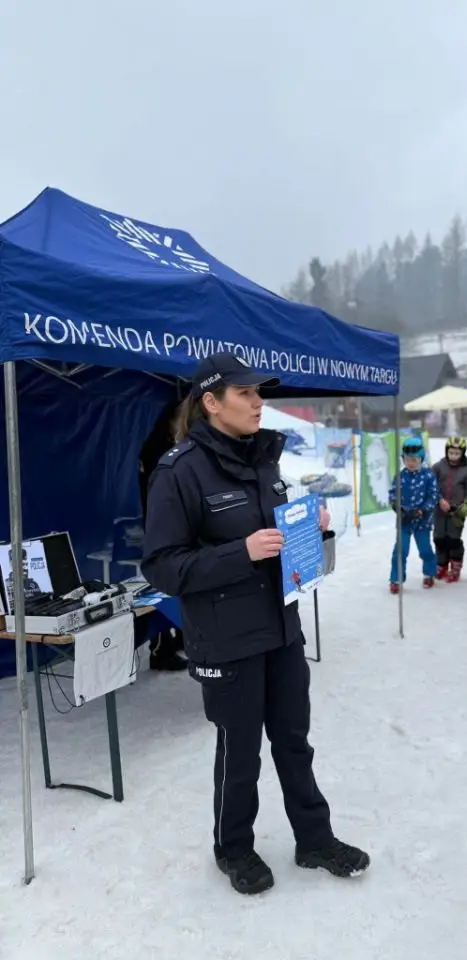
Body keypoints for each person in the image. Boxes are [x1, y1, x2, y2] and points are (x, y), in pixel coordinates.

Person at [141, 354, 369, 895]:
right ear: (211, 402)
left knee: (294, 742)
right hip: (226, 639)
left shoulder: (265, 460)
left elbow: (278, 544)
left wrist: (311, 531)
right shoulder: (179, 471)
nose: (258, 402)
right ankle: (233, 849)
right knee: (240, 752)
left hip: (281, 630)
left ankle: (314, 839)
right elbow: (163, 567)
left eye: (259, 392)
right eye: (245, 393)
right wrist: (239, 552)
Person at [138, 400, 188, 672]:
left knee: (180, 584)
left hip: (175, 527)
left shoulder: (175, 446)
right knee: (162, 588)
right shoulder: (158, 450)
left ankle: (182, 635)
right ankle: (160, 648)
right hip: (162, 528)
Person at [389, 437, 439, 592]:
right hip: (404, 521)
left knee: (425, 550)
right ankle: (396, 579)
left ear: (421, 459)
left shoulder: (428, 476)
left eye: (414, 460)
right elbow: (393, 494)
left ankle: (429, 573)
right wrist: (398, 507)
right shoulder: (400, 476)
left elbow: (434, 495)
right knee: (400, 551)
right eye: (407, 459)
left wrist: (422, 510)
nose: (410, 463)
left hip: (422, 521)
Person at [431, 436, 467, 582]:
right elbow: (431, 486)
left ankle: (456, 564)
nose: (454, 456)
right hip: (439, 509)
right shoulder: (437, 467)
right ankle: (441, 564)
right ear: (446, 452)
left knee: (453, 539)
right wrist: (439, 500)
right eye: (451, 453)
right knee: (439, 538)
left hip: (456, 511)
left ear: (462, 454)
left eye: (457, 453)